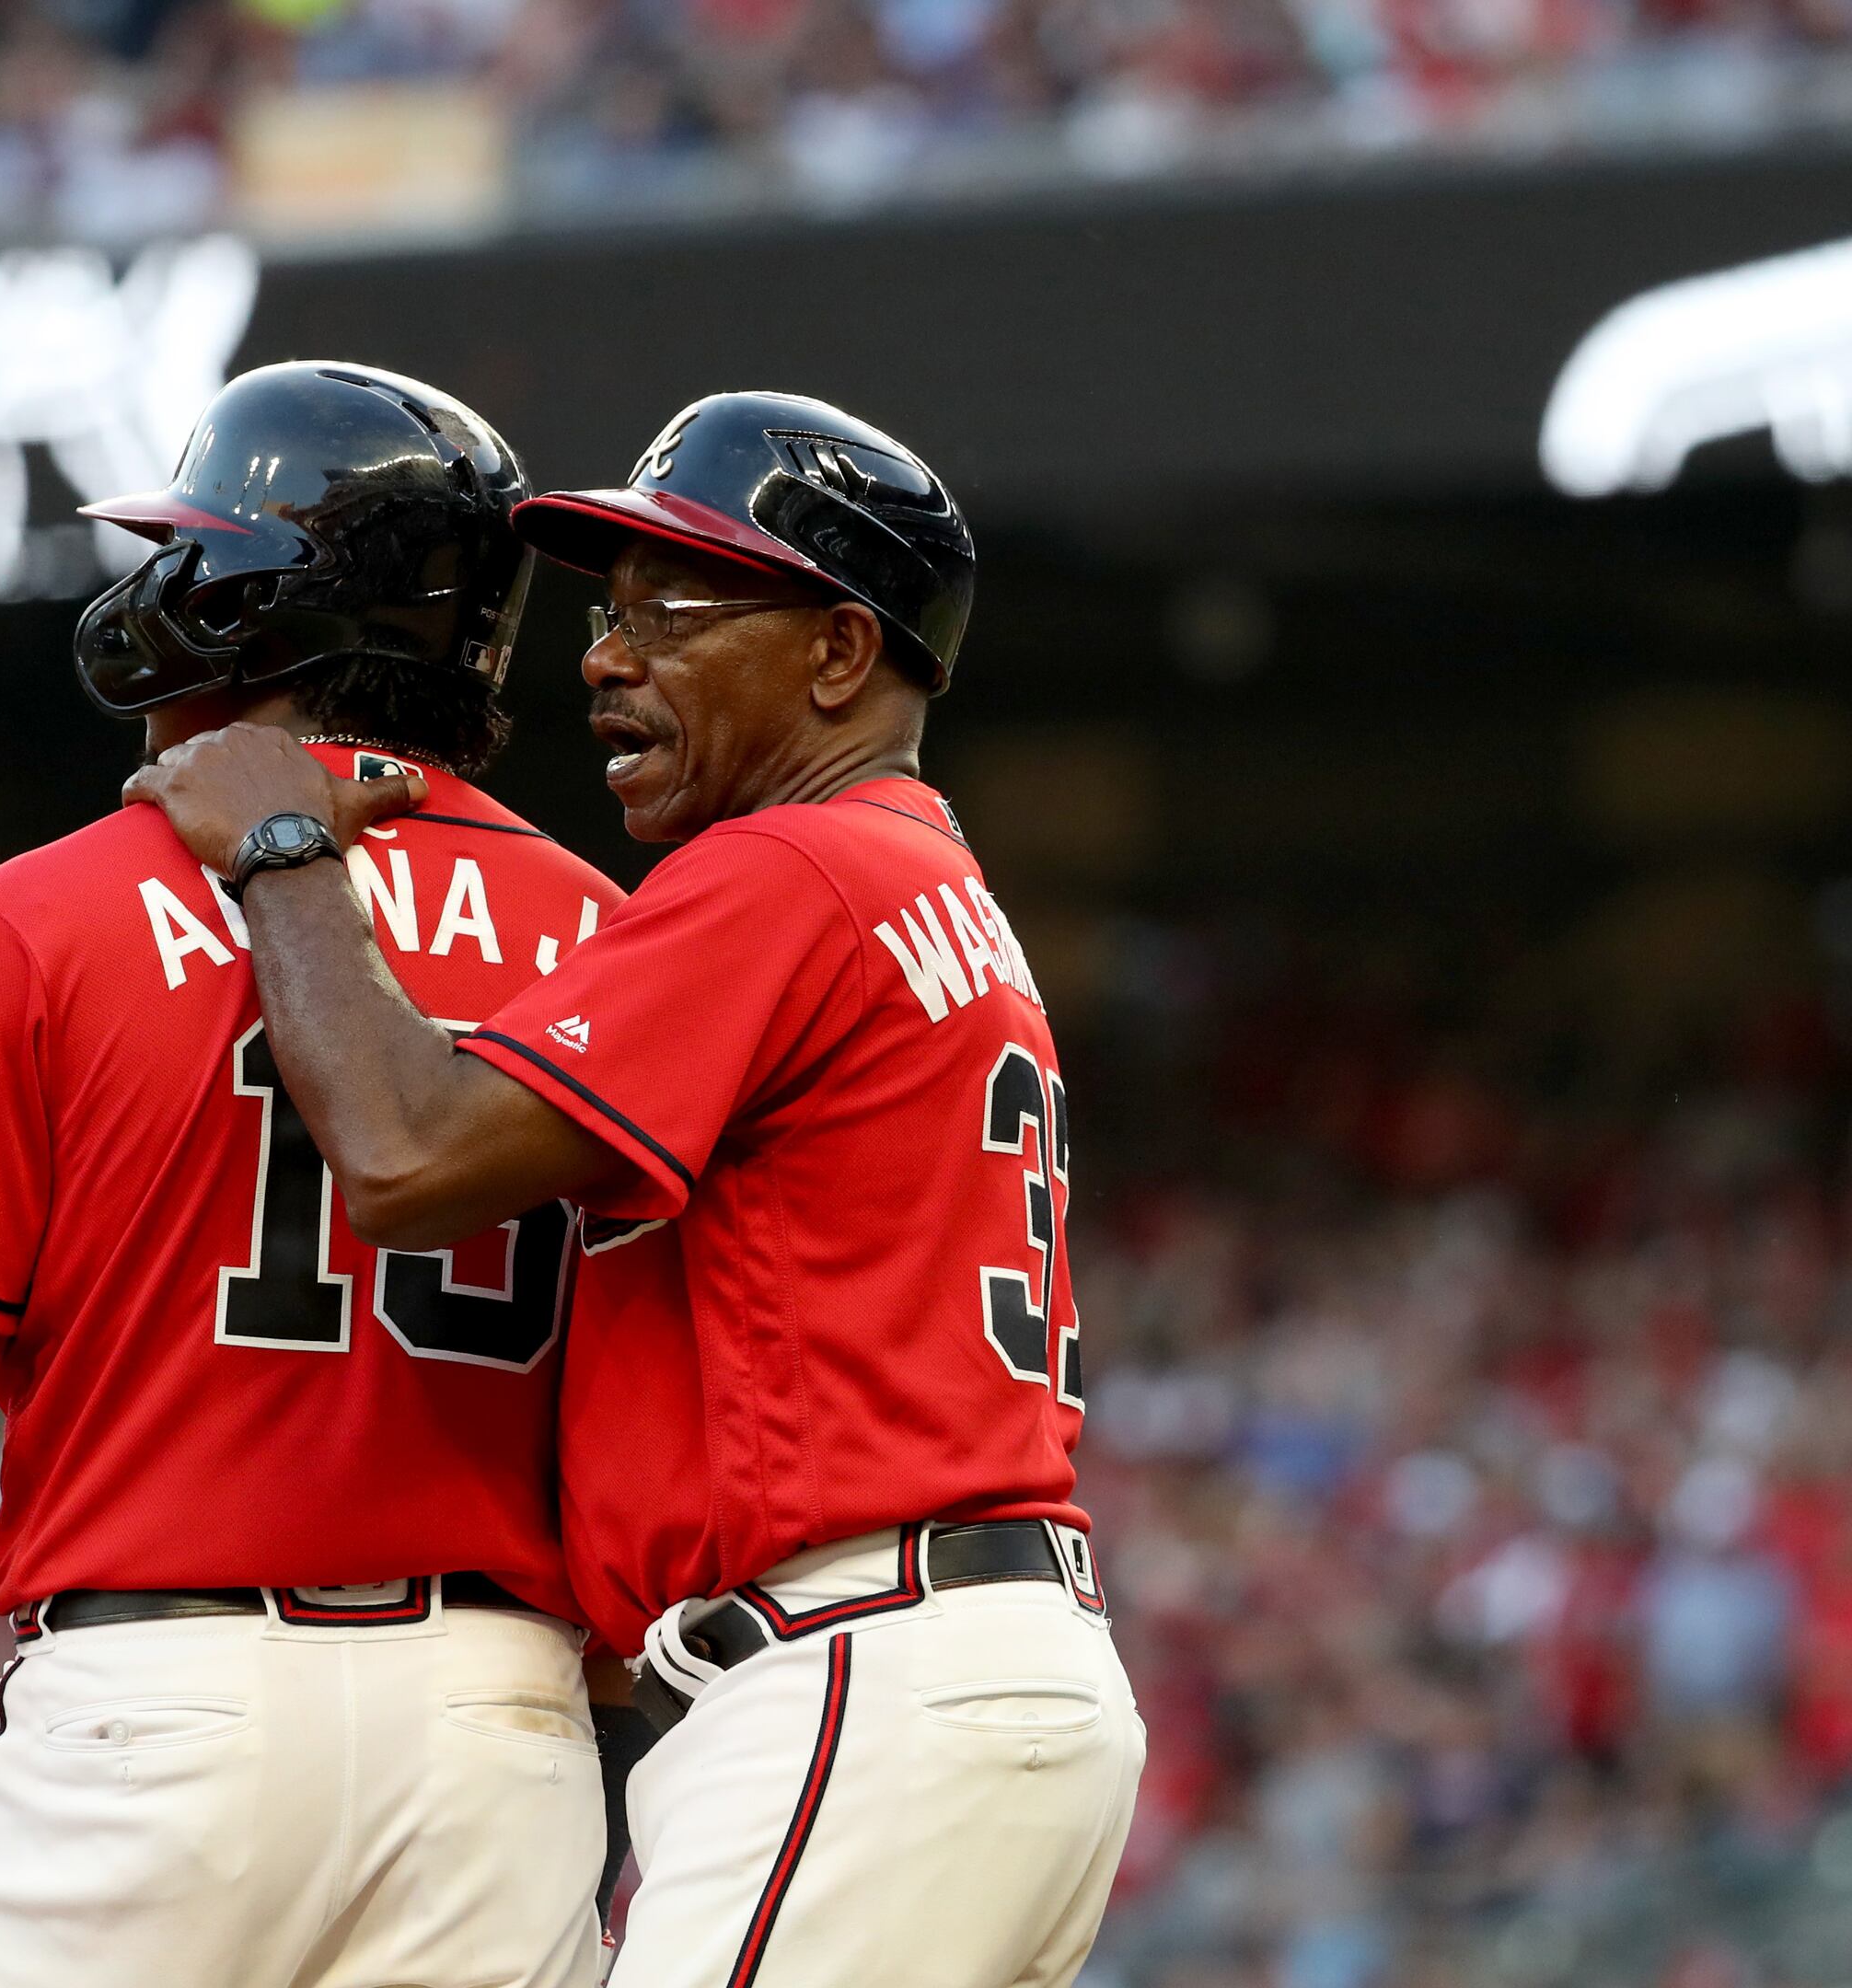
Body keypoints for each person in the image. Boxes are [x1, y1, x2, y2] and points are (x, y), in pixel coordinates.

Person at [122, 391, 1143, 1988]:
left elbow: (406, 1159)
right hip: (976, 1671)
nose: (607, 655)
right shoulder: (931, 880)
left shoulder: (789, 868)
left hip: (861, 1676)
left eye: (677, 609)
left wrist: (281, 846)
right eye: (609, 613)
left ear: (835, 655)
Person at [0, 362, 620, 1988]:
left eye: (195, 554)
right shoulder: (619, 939)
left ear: (257, 601)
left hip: (157, 1722)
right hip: (497, 1737)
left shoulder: (42, 915)